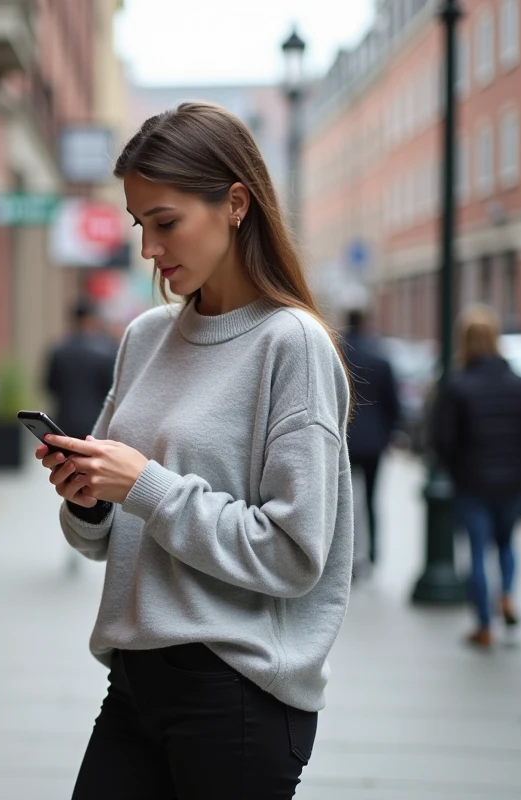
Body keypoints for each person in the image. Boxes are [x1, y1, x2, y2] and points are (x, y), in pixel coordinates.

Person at [34, 101, 354, 799]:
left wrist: (144, 484)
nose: (149, 248)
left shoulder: (290, 344)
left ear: (235, 203)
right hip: (134, 681)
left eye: (165, 221)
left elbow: (296, 552)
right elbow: (106, 537)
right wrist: (89, 500)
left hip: (236, 694)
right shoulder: (146, 337)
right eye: (139, 224)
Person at [432, 305, 521, 650]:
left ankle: (483, 625)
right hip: (513, 483)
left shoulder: (456, 385)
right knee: (507, 544)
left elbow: (443, 439)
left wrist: (457, 470)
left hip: (473, 482)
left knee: (478, 552)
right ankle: (507, 596)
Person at [341, 309, 401, 568]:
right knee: (372, 500)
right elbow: (393, 405)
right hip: (375, 441)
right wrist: (388, 435)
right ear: (365, 322)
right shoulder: (380, 357)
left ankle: (348, 556)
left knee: (344, 501)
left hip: (345, 439)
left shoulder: (338, 354)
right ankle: (373, 554)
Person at [44, 298, 120, 440]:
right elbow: (112, 390)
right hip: (96, 424)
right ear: (92, 319)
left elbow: (49, 386)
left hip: (64, 423)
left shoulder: (59, 350)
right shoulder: (108, 351)